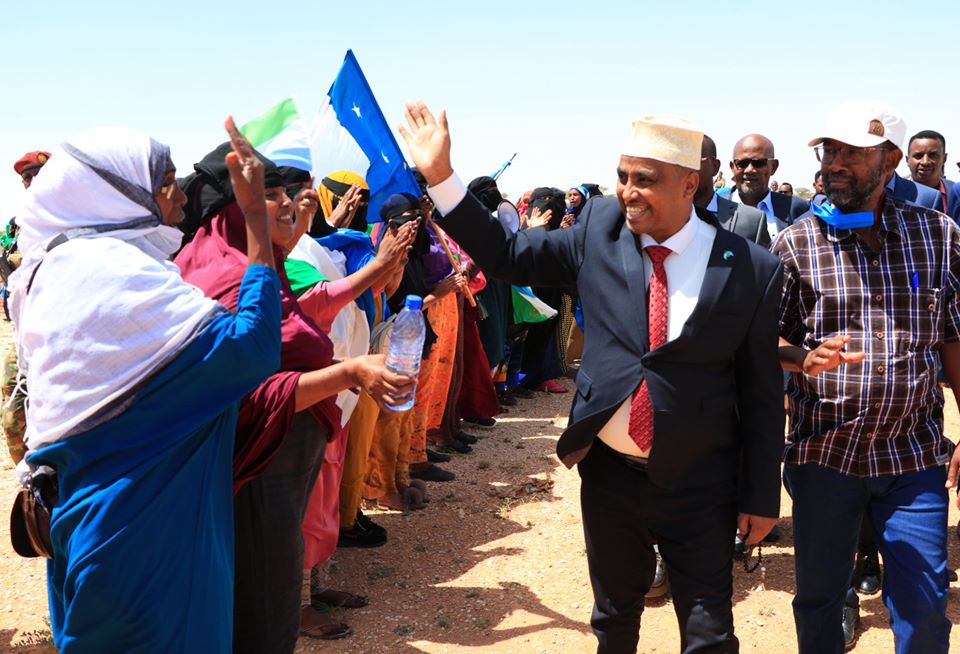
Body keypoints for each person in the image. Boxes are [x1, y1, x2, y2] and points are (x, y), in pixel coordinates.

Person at [400, 101, 784, 653]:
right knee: (614, 617)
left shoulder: (751, 267)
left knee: (709, 632)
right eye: (623, 176)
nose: (628, 192)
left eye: (645, 179)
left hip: (702, 482)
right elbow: (506, 253)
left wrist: (761, 495)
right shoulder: (599, 231)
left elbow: (761, 393)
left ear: (689, 183)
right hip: (610, 477)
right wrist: (442, 177)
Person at [9, 121, 281, 653]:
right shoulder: (113, 275)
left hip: (92, 532)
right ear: (116, 194)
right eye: (165, 184)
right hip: (147, 548)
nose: (179, 197)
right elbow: (252, 348)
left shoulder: (61, 271)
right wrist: (256, 222)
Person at [175, 142, 412, 652]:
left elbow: (302, 318)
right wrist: (348, 372)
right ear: (233, 206)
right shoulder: (227, 276)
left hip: (284, 456)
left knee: (271, 590)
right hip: (259, 469)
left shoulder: (259, 263)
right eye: (270, 193)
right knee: (261, 605)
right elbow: (246, 394)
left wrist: (377, 268)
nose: (287, 202)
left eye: (289, 191)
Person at [773, 100, 959, 654]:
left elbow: (953, 337)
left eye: (852, 153)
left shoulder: (938, 236)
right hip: (825, 455)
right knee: (820, 601)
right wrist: (802, 359)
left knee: (925, 605)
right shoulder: (796, 244)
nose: (835, 163)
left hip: (913, 456)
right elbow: (764, 341)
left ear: (891, 160)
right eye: (829, 151)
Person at [728, 133, 810, 236]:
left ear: (773, 167)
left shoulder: (798, 209)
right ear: (732, 167)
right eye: (742, 163)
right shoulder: (714, 208)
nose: (749, 170)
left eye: (758, 163)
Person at [695, 134, 769, 246]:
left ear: (715, 166)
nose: (684, 169)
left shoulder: (752, 220)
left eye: (693, 161)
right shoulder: (667, 217)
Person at [907, 130, 954, 213]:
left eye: (933, 155)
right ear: (907, 160)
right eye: (918, 156)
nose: (925, 162)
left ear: (944, 158)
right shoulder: (893, 193)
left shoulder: (955, 193)